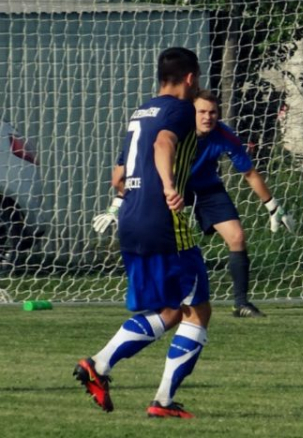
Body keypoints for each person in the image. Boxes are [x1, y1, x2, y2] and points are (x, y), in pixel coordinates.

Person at [74, 47, 209, 419]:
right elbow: (163, 143)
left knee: (169, 310)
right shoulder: (181, 109)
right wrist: (167, 185)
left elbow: (118, 177)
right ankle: (157, 398)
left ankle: (102, 368)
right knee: (196, 310)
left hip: (132, 217)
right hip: (165, 219)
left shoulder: (141, 111)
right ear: (190, 78)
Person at [93, 90, 295, 319]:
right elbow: (121, 174)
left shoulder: (224, 134)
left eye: (213, 112)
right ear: (191, 112)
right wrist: (118, 204)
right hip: (169, 188)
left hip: (207, 189)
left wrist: (272, 206)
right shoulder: (169, 131)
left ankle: (241, 303)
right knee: (163, 240)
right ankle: (162, 298)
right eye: (202, 112)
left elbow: (249, 173)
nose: (208, 117)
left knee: (237, 237)